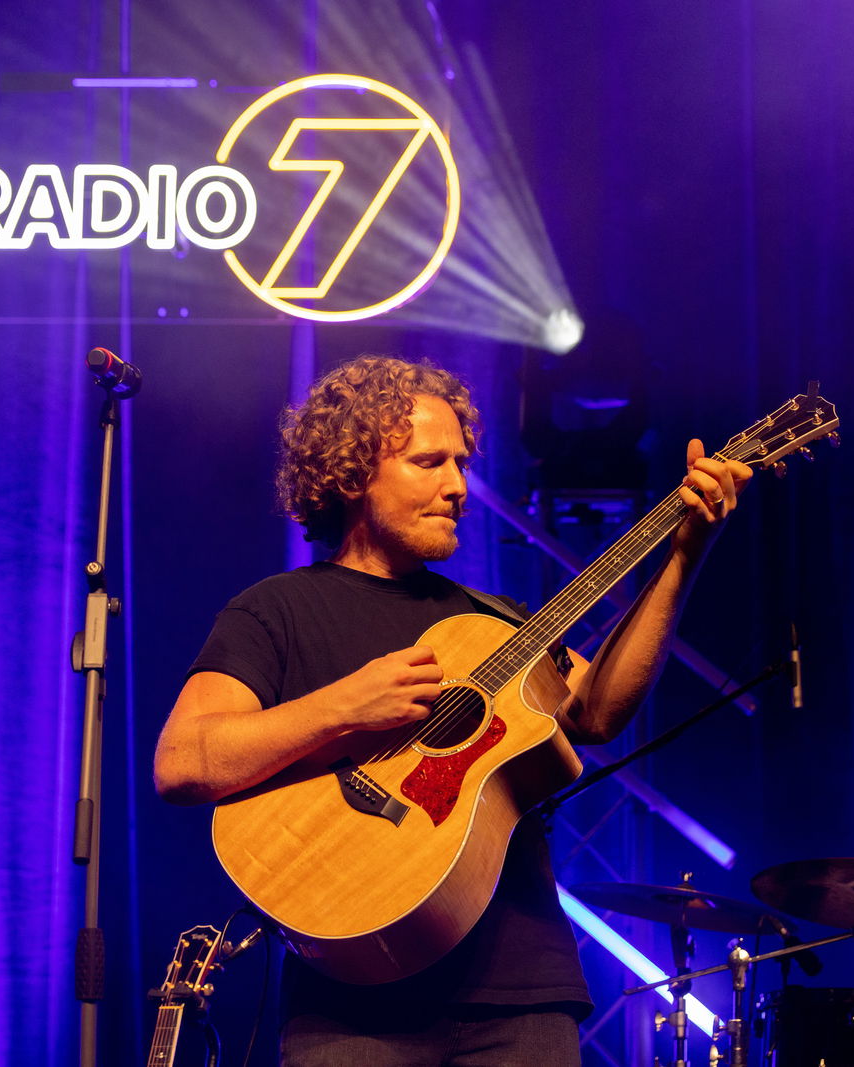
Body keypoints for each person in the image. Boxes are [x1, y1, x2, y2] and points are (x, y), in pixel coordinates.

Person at [154, 354, 750, 1066]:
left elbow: (595, 713)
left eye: (461, 463)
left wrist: (684, 555)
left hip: (523, 995)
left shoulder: (494, 624)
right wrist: (343, 706)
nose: (458, 486)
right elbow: (182, 761)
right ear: (352, 473)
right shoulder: (275, 610)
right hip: (347, 1004)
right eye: (429, 462)